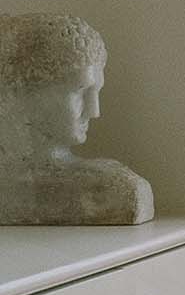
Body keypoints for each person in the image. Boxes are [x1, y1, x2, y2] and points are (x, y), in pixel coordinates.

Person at [0, 13, 154, 226]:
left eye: (96, 92)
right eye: (80, 91)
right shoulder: (105, 188)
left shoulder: (112, 186)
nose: (94, 111)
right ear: (25, 92)